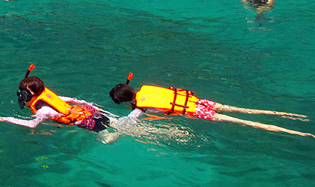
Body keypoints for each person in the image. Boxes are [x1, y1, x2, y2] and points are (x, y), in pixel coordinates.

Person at [109, 74, 312, 137]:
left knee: (247, 123)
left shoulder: (138, 110)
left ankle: (299, 134)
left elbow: (127, 123)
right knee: (242, 111)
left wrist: (113, 129)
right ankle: (292, 116)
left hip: (195, 111)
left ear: (124, 100)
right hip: (199, 102)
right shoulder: (146, 89)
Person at [0, 65, 118, 143]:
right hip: (87, 110)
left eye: (25, 95)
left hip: (85, 121)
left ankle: (121, 133)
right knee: (116, 122)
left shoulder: (42, 111)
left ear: (33, 96)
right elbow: (70, 99)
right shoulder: (50, 97)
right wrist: (89, 104)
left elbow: (31, 124)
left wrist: (4, 119)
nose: (22, 98)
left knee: (106, 140)